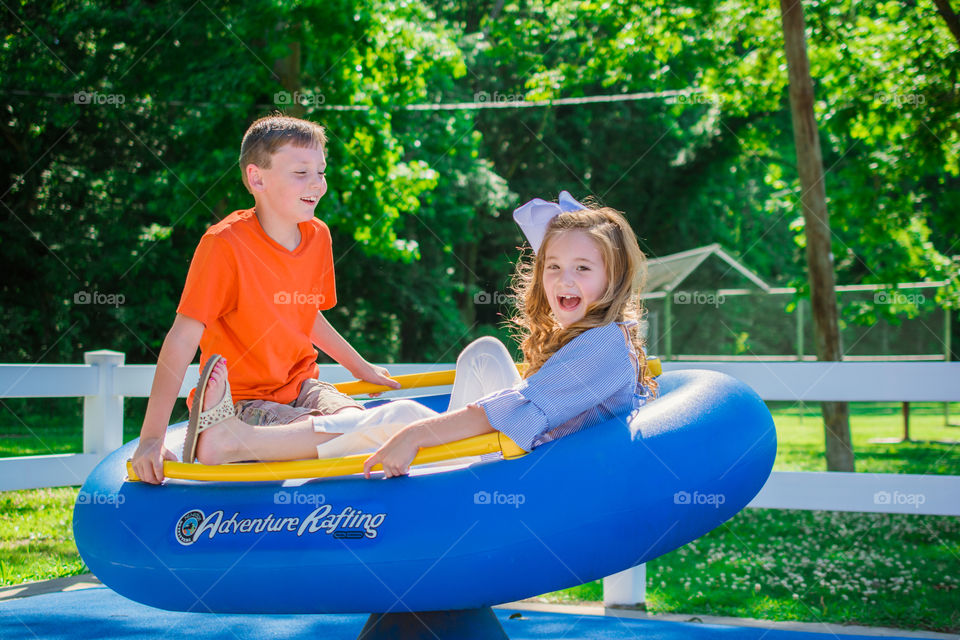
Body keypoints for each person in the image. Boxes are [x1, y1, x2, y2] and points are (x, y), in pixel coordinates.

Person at [173, 192, 657, 478]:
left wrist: (416, 435)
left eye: (582, 268)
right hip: (514, 459)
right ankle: (256, 436)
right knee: (481, 357)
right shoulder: (601, 342)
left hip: (515, 472)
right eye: (553, 267)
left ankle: (234, 441)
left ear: (613, 278)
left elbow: (516, 409)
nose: (563, 280)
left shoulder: (600, 348)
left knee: (404, 416)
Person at [129, 114, 399, 485]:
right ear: (257, 178)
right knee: (347, 436)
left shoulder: (317, 236)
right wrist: (151, 439)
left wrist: (361, 367)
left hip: (302, 386)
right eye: (301, 172)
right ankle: (222, 438)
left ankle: (256, 441)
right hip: (242, 400)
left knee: (368, 425)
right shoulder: (224, 245)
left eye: (321, 171)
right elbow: (182, 338)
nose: (317, 184)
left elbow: (307, 315)